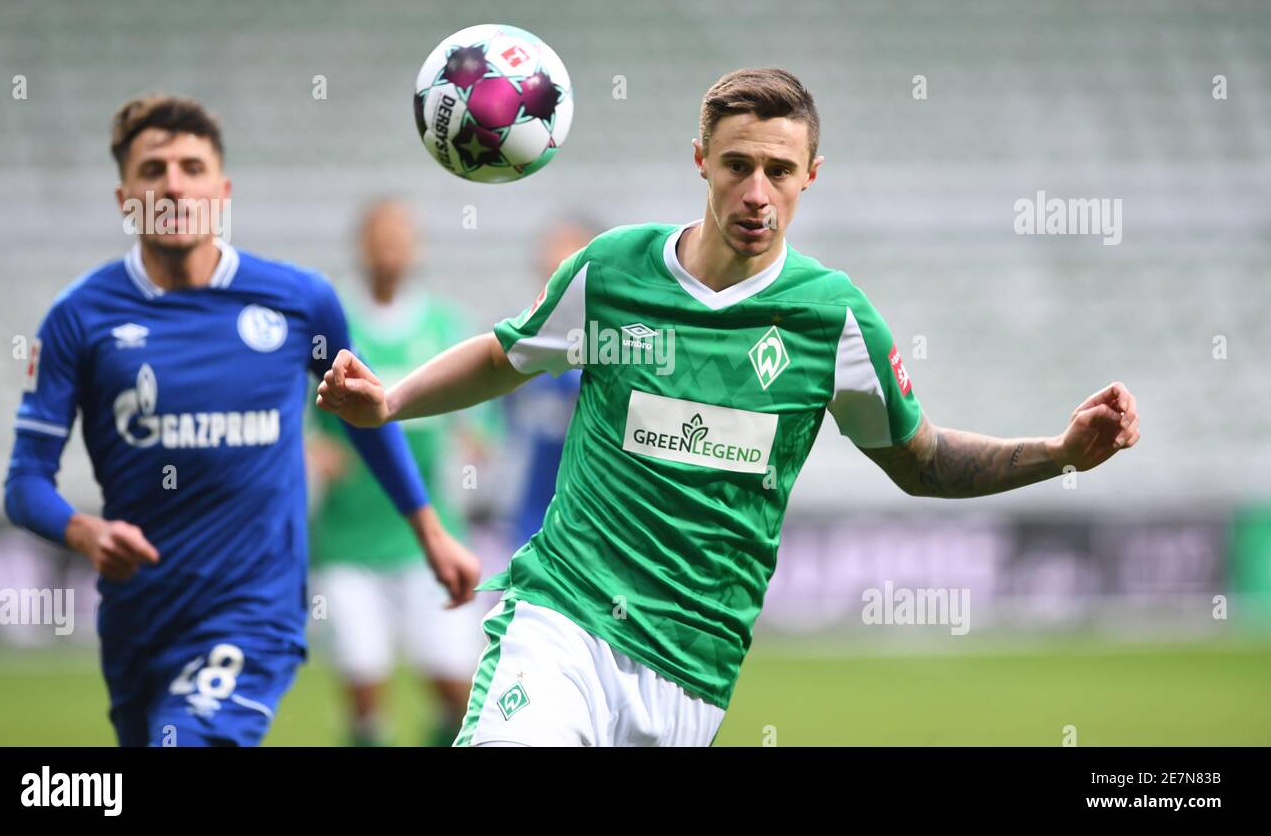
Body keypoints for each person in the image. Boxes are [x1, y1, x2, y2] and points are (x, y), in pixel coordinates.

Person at [316, 68, 1141, 747]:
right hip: (562, 616)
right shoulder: (613, 272)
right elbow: (506, 355)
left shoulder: (831, 318)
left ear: (809, 175)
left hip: (692, 665)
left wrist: (1060, 453)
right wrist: (392, 400)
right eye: (736, 165)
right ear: (700, 160)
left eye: (779, 172)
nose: (757, 192)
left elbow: (921, 462)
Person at [3, 94, 478, 747]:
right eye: (153, 169)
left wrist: (429, 531)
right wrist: (82, 531)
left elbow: (368, 417)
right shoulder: (79, 319)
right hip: (140, 616)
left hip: (253, 607)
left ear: (221, 191)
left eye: (192, 167)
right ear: (125, 199)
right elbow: (24, 482)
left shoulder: (298, 301)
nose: (173, 182)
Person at [306, 199, 491, 746]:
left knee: (455, 686)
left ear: (415, 248)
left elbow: (481, 412)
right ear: (361, 247)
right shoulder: (336, 327)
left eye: (399, 238)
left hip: (429, 540)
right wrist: (314, 449)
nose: (389, 249)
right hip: (349, 539)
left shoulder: (444, 325)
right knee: (364, 682)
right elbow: (302, 415)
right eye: (379, 238)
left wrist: (475, 441)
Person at [498, 218, 595, 551]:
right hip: (529, 517)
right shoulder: (523, 343)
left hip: (592, 520)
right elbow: (500, 419)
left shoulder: (611, 347)